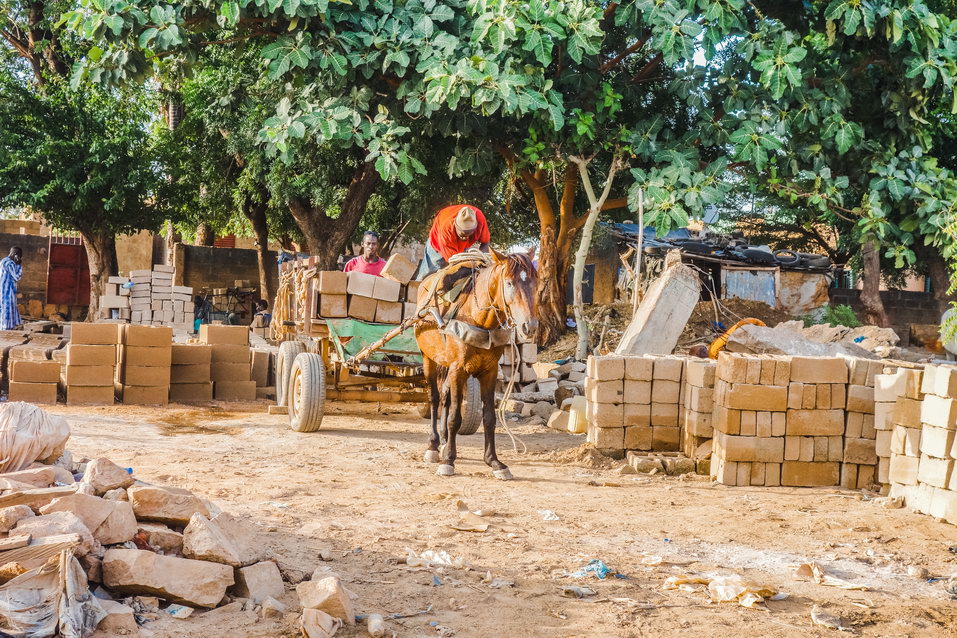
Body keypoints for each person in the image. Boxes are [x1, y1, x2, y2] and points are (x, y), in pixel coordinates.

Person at [416, 205, 491, 279]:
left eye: (469, 234)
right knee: (427, 274)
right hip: (438, 245)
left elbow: (485, 242)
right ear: (455, 225)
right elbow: (454, 262)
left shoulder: (480, 219)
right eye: (462, 234)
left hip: (460, 248)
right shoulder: (446, 230)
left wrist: (482, 260)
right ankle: (414, 289)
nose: (465, 237)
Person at [0, 247, 22, 330]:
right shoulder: (10, 263)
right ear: (15, 255)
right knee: (8, 308)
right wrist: (19, 264)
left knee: (4, 308)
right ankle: (7, 327)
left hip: (3, 289)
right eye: (19, 256)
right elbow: (17, 276)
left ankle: (4, 326)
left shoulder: (3, 261)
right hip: (7, 290)